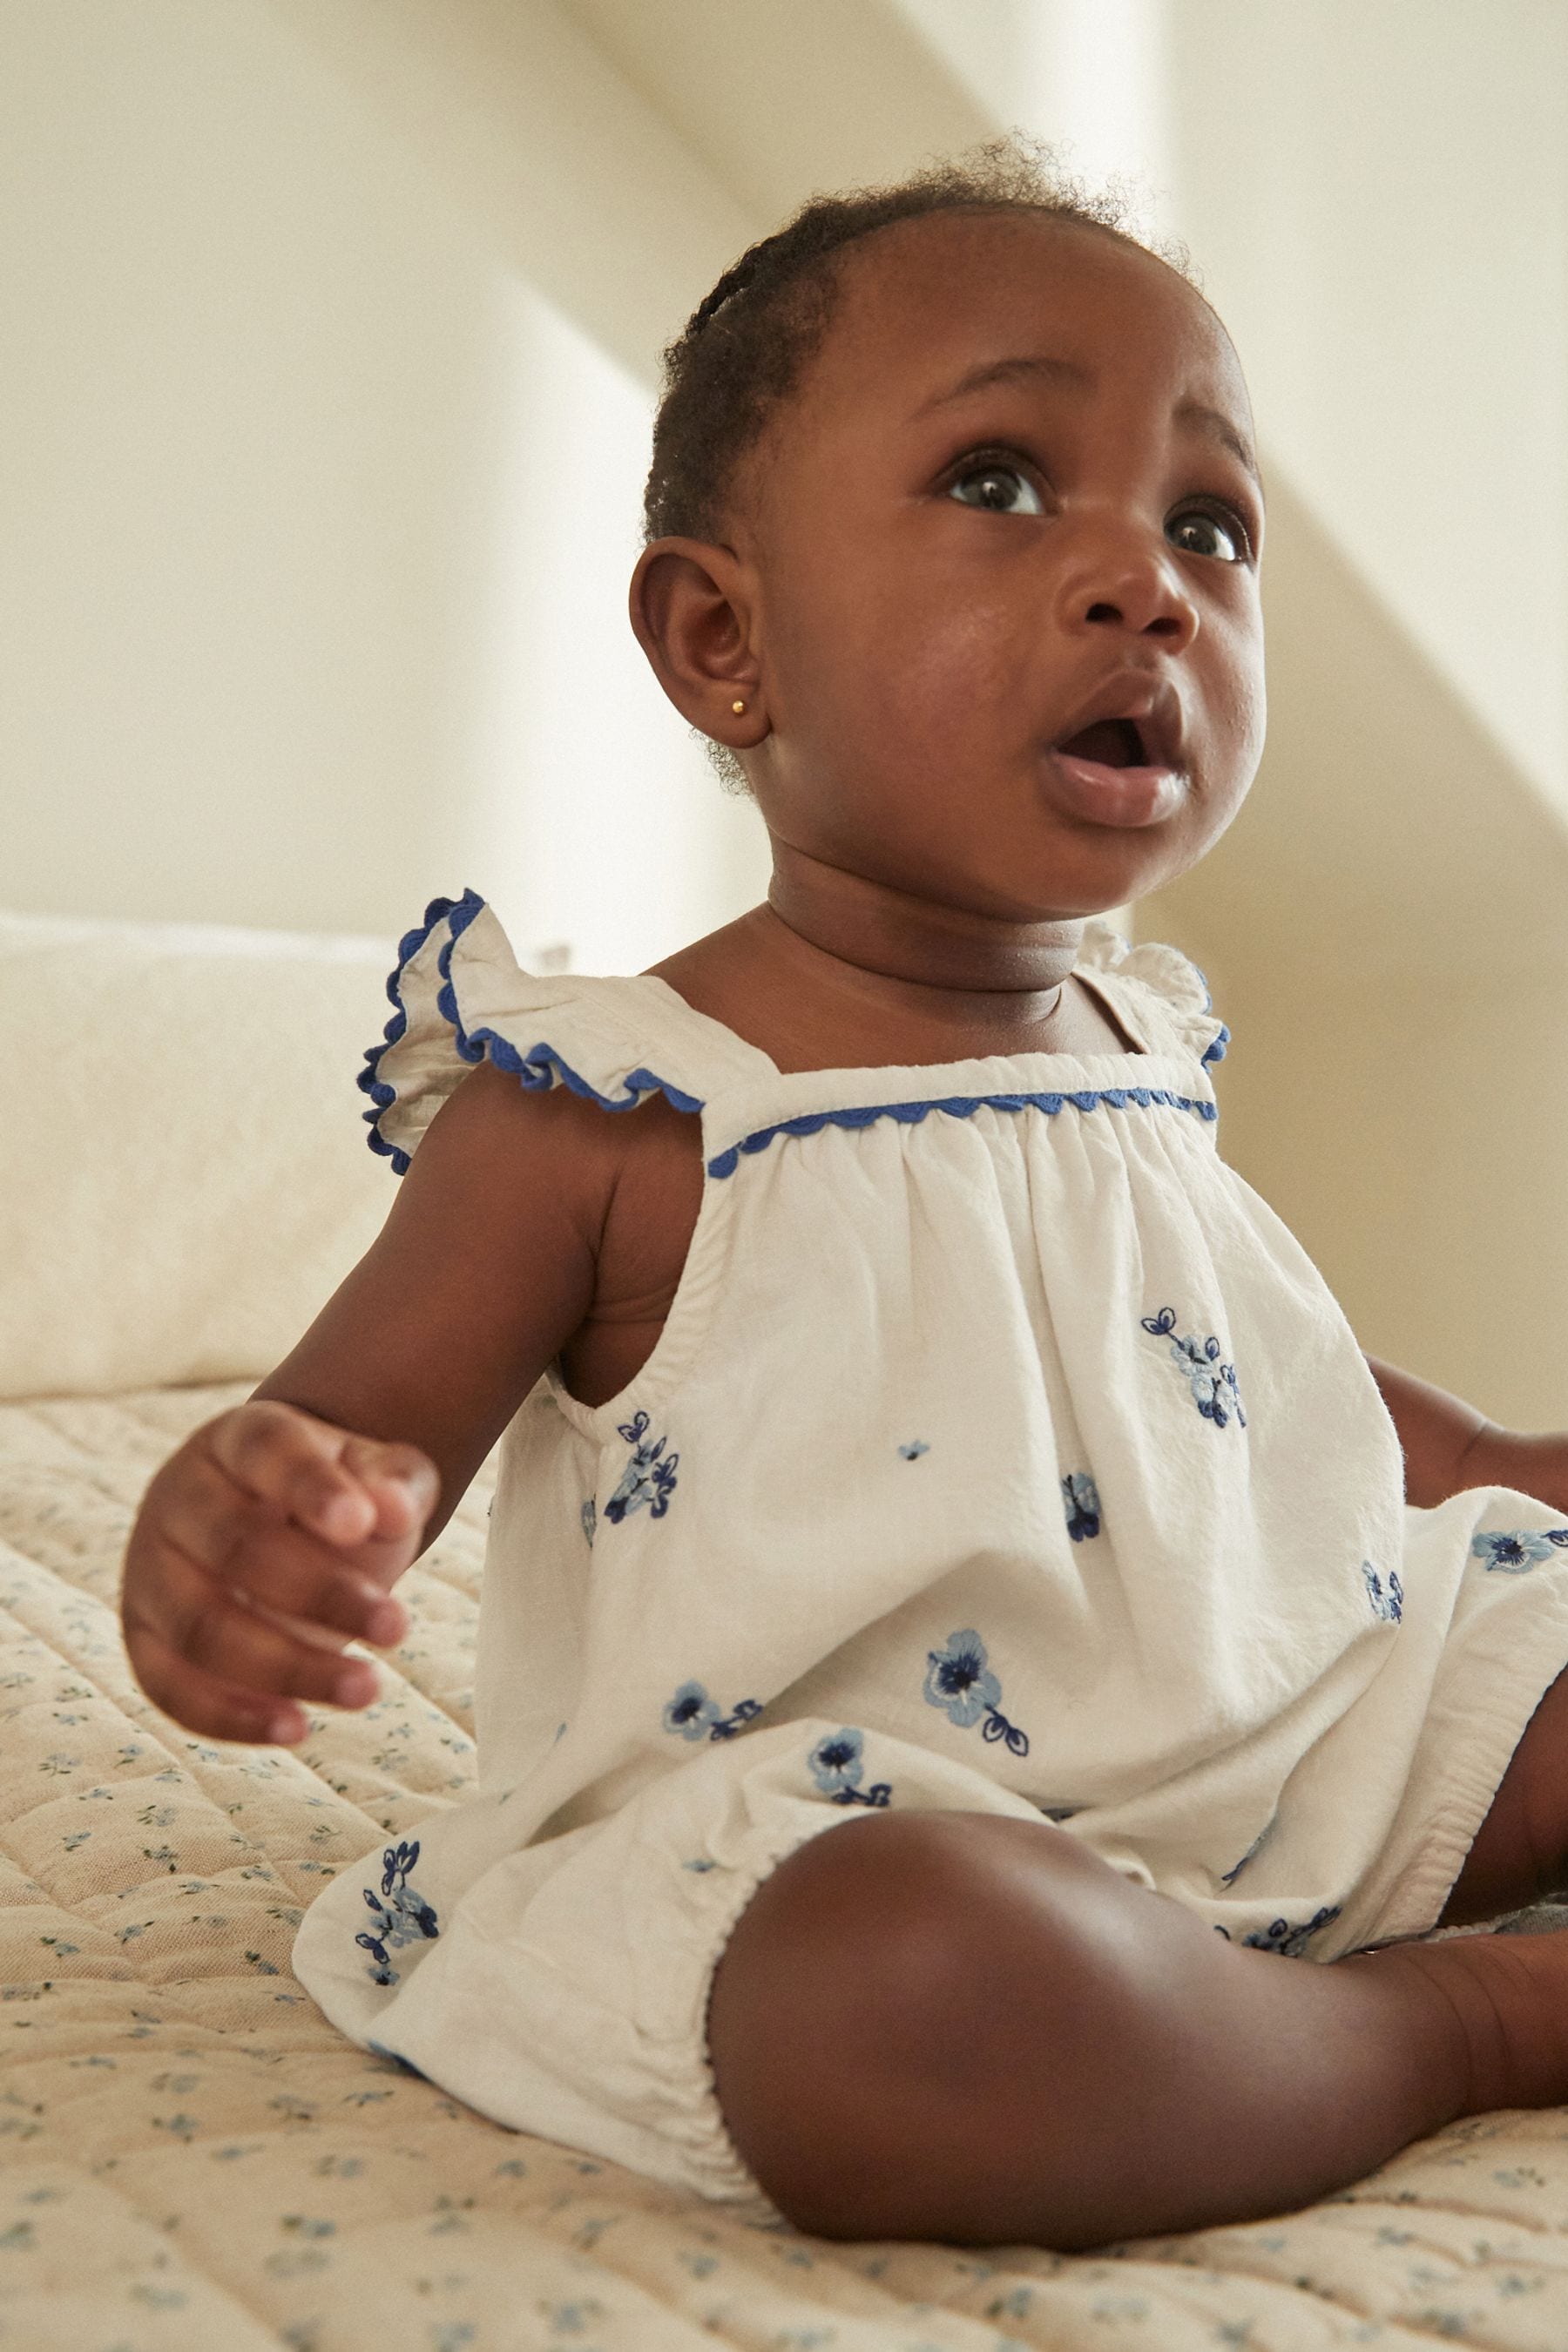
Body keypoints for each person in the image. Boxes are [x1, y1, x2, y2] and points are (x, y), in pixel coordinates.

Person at [118, 139, 1568, 2253]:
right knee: (909, 1998)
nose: (1144, 576)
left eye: (1208, 521)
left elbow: (1260, 1397)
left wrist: (1513, 1465)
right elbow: (351, 1442)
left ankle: (1276, 1977)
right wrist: (246, 1531)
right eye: (1000, 479)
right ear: (725, 639)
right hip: (867, 1829)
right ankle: (1462, 2023)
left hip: (1287, 1734)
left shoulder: (1135, 1045)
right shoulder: (616, 1103)